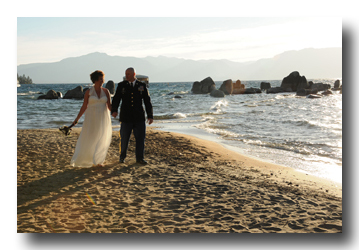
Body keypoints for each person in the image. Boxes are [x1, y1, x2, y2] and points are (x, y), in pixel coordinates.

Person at [70, 70, 112, 167]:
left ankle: (98, 160)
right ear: (96, 80)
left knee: (101, 137)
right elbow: (84, 106)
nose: (103, 80)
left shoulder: (106, 91)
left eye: (103, 78)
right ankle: (88, 158)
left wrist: (116, 111)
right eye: (101, 79)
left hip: (103, 118)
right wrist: (76, 120)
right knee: (90, 137)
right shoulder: (88, 92)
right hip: (91, 118)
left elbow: (110, 106)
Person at [111, 67, 153, 164]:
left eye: (128, 74)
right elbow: (116, 99)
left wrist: (150, 115)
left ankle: (140, 158)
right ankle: (122, 157)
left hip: (139, 117)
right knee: (124, 138)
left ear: (134, 74)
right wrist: (114, 110)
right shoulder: (122, 85)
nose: (126, 76)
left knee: (140, 139)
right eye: (126, 74)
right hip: (126, 117)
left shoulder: (142, 85)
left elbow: (147, 101)